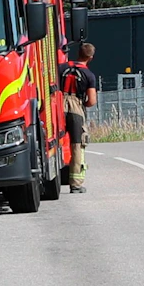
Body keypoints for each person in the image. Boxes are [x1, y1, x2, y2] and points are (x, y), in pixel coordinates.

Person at [60, 43, 98, 193]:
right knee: (77, 145)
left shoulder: (61, 67)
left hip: (58, 106)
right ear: (90, 58)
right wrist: (83, 104)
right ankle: (75, 184)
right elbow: (92, 101)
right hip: (76, 107)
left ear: (78, 53)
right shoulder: (89, 75)